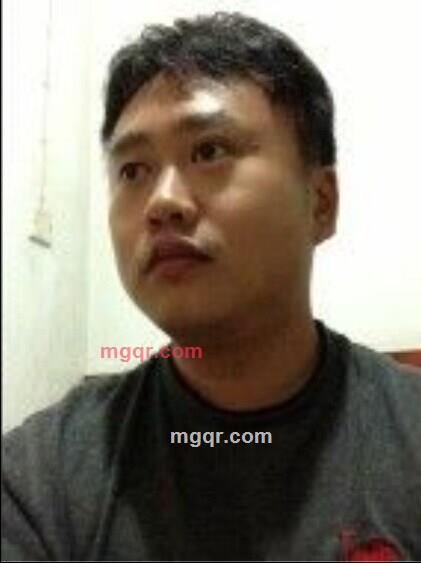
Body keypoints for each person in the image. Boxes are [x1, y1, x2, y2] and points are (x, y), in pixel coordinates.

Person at [2, 11, 420, 562]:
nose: (162, 202)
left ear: (320, 203)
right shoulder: (41, 481)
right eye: (133, 170)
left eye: (209, 151)